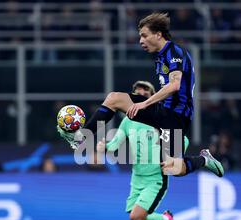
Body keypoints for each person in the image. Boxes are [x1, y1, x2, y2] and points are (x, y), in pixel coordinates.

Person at [58, 12, 224, 178]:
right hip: (163, 110)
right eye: (140, 37)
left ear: (158, 34)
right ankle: (81, 138)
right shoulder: (160, 57)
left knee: (171, 168)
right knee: (114, 98)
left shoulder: (173, 52)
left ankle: (204, 160)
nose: (141, 41)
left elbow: (175, 85)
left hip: (177, 116)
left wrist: (144, 104)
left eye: (144, 36)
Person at [96, 80, 189, 220]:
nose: (140, 94)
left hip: (156, 177)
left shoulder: (159, 118)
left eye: (145, 92)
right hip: (137, 178)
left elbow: (183, 139)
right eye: (137, 92)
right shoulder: (128, 121)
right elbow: (115, 145)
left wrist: (174, 157)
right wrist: (105, 147)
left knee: (137, 217)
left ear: (153, 96)